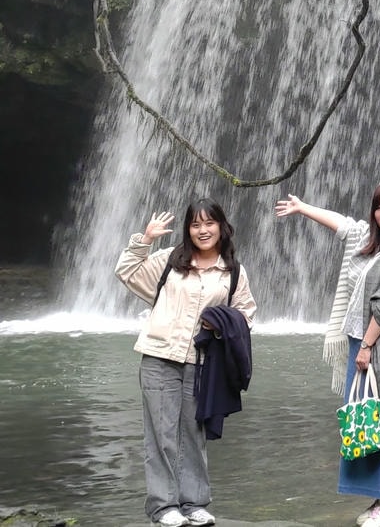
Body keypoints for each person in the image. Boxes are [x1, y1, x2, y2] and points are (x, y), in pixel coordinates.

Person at [274, 180, 380, 527]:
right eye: (379, 206)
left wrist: (367, 347)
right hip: (363, 341)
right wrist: (302, 208)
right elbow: (344, 226)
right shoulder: (379, 241)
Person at [115, 198, 257, 527]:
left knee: (193, 433)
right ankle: (163, 506)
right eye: (195, 224)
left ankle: (194, 503)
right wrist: (144, 240)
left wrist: (220, 323)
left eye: (209, 223)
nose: (202, 230)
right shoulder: (170, 260)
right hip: (159, 355)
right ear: (188, 229)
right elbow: (127, 272)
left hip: (202, 362)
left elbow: (246, 314)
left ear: (222, 227)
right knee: (160, 433)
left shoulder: (233, 272)